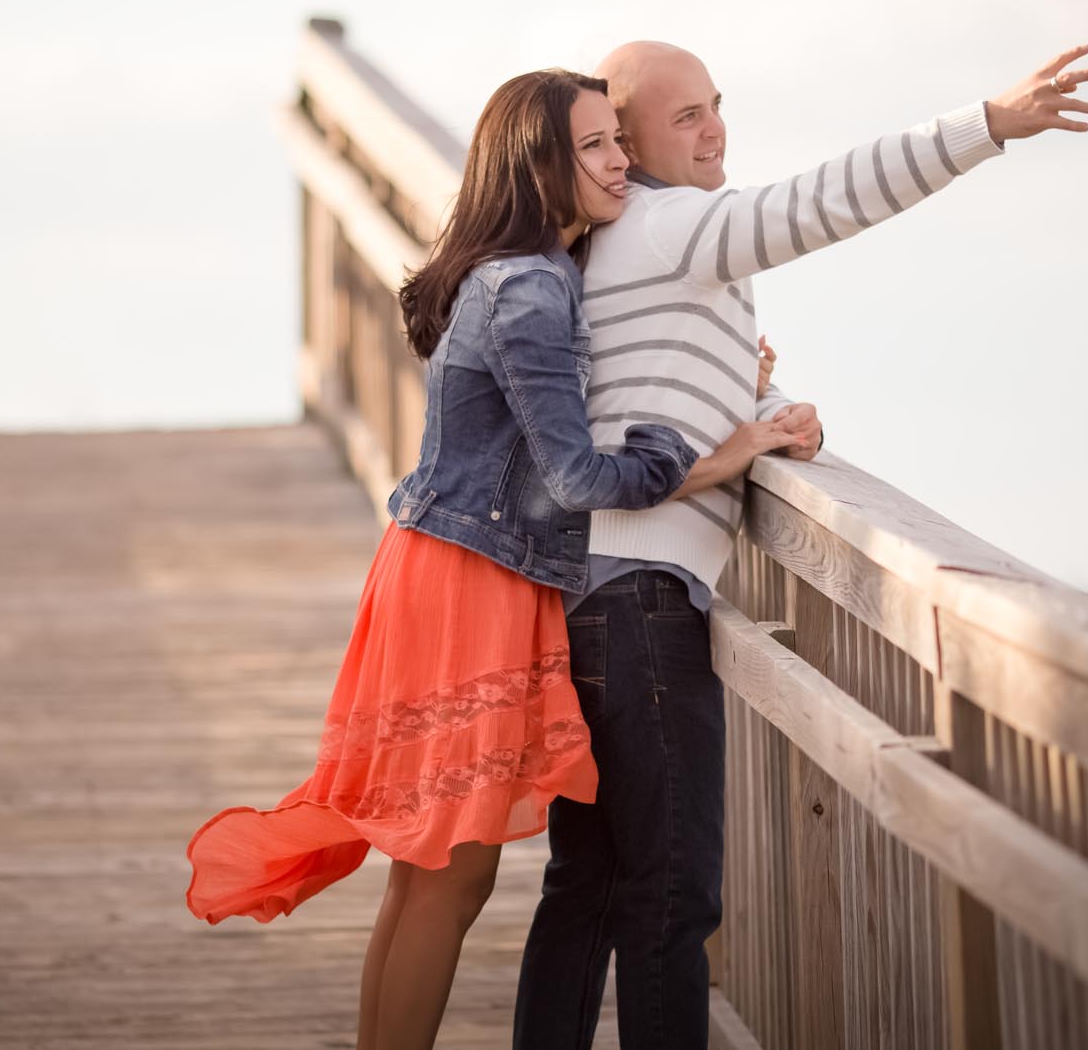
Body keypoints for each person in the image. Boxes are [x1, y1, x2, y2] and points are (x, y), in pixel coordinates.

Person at [185, 67, 797, 1050]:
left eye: (616, 138)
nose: (619, 160)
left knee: (429, 871)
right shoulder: (529, 287)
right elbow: (574, 475)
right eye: (595, 144)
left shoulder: (529, 277)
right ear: (538, 164)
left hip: (444, 567)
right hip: (468, 580)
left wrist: (736, 386)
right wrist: (716, 455)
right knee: (452, 869)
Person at [514, 42, 1088, 1049]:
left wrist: (771, 404)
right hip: (645, 605)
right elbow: (819, 200)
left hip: (596, 598)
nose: (714, 133)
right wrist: (983, 126)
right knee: (668, 898)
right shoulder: (670, 224)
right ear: (628, 146)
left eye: (716, 107)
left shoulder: (617, 249)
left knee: (594, 884)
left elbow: (655, 384)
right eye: (684, 120)